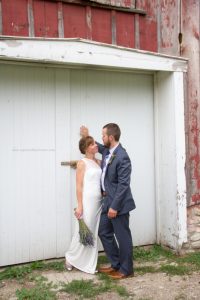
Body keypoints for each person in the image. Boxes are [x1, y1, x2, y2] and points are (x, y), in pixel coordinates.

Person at [80, 123, 136, 279]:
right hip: (107, 201)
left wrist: (114, 207)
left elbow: (124, 185)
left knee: (123, 237)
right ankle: (116, 264)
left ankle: (126, 270)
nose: (101, 138)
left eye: (103, 135)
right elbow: (95, 146)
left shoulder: (123, 156)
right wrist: (86, 136)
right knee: (103, 232)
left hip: (119, 205)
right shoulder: (107, 151)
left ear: (111, 137)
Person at [65, 136, 102, 274]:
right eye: (92, 144)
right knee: (83, 230)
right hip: (87, 201)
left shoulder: (98, 161)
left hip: (99, 202)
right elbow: (79, 186)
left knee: (92, 231)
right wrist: (80, 206)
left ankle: (87, 261)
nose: (96, 145)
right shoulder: (82, 163)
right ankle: (70, 257)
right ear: (87, 148)